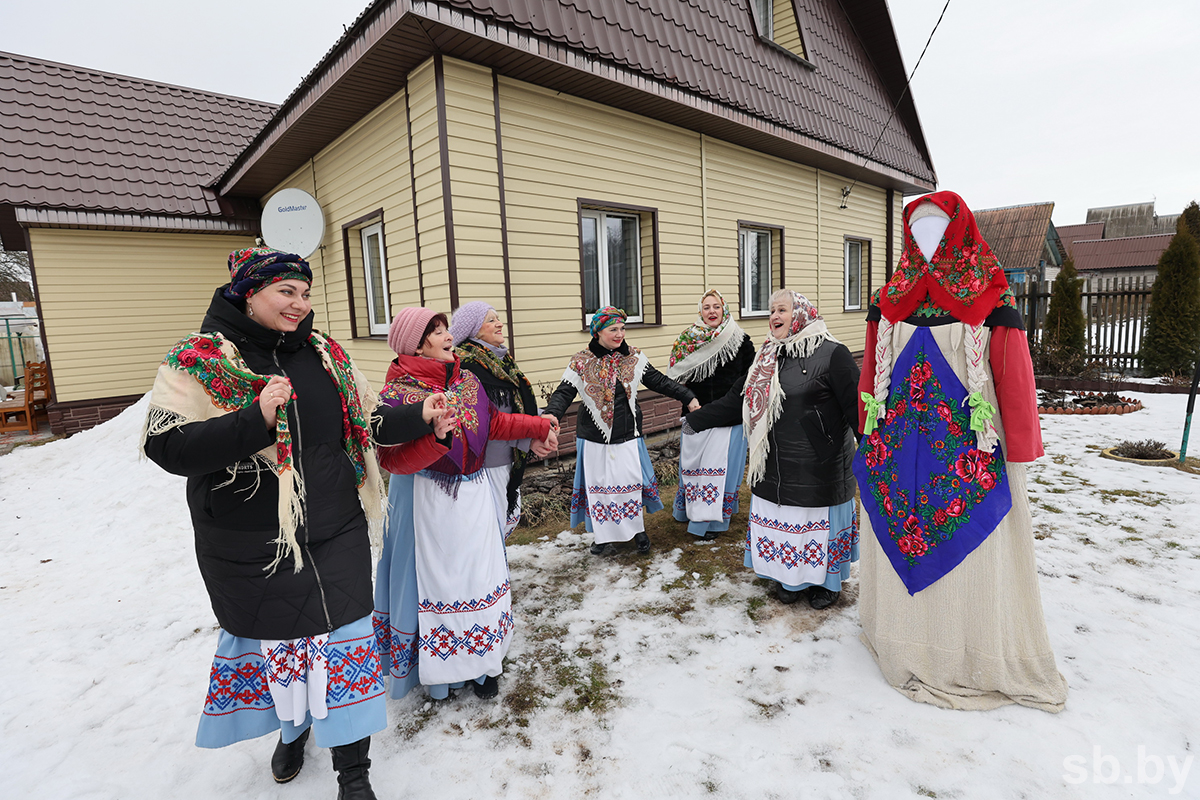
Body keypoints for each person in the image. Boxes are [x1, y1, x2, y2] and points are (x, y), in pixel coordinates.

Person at [143, 246, 453, 800]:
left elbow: (367, 420)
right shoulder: (198, 359)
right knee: (282, 649)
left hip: (336, 527)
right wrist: (254, 419)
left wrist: (422, 415)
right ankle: (294, 727)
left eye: (305, 293)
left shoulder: (325, 354)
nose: (299, 304)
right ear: (248, 292)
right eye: (287, 291)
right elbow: (168, 445)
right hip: (253, 540)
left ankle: (354, 775)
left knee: (347, 648)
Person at [854, 191, 1068, 712]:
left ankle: (964, 647)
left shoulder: (990, 301)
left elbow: (1013, 380)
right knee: (901, 534)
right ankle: (903, 636)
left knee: (974, 551)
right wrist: (866, 433)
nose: (926, 241)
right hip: (899, 455)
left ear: (959, 233)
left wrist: (1017, 445)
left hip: (967, 456)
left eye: (937, 230)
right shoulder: (887, 302)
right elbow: (870, 379)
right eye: (917, 231)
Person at [372, 307, 555, 703]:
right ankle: (440, 674)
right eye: (435, 332)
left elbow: (494, 427)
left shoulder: (468, 381)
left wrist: (539, 426)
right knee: (442, 583)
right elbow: (391, 460)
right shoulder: (398, 393)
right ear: (415, 344)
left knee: (481, 576)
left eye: (444, 328)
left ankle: (483, 663)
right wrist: (433, 438)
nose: (446, 334)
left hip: (473, 493)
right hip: (429, 501)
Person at [684, 290, 860, 609]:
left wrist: (878, 450)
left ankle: (826, 583)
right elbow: (736, 400)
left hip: (819, 465)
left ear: (802, 314)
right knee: (786, 526)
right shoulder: (766, 356)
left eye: (782, 309)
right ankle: (788, 579)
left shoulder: (834, 353)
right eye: (771, 311)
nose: (774, 316)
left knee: (815, 528)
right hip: (773, 464)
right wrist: (697, 420)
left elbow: (856, 408)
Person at [542, 306, 700, 556]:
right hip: (594, 437)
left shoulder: (634, 357)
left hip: (627, 434)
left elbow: (659, 381)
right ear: (597, 332)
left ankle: (637, 531)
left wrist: (688, 396)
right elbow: (564, 392)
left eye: (622, 328)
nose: (620, 334)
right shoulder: (581, 361)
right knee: (600, 489)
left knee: (629, 485)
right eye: (613, 329)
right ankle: (603, 537)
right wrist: (552, 413)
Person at [449, 301, 546, 539]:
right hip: (487, 464)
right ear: (474, 330)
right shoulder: (470, 368)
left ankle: (497, 573)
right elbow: (489, 423)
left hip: (506, 459)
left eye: (498, 318)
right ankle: (493, 575)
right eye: (491, 320)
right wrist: (529, 438)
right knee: (491, 528)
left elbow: (514, 405)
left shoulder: (499, 362)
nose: (499, 323)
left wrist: (542, 418)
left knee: (500, 523)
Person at [666, 289, 755, 540]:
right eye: (706, 307)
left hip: (729, 418)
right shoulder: (687, 340)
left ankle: (713, 522)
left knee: (722, 471)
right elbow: (676, 379)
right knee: (694, 467)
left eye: (716, 306)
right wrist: (689, 400)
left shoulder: (740, 339)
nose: (712, 311)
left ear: (724, 309)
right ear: (700, 311)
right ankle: (689, 511)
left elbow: (750, 377)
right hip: (697, 415)